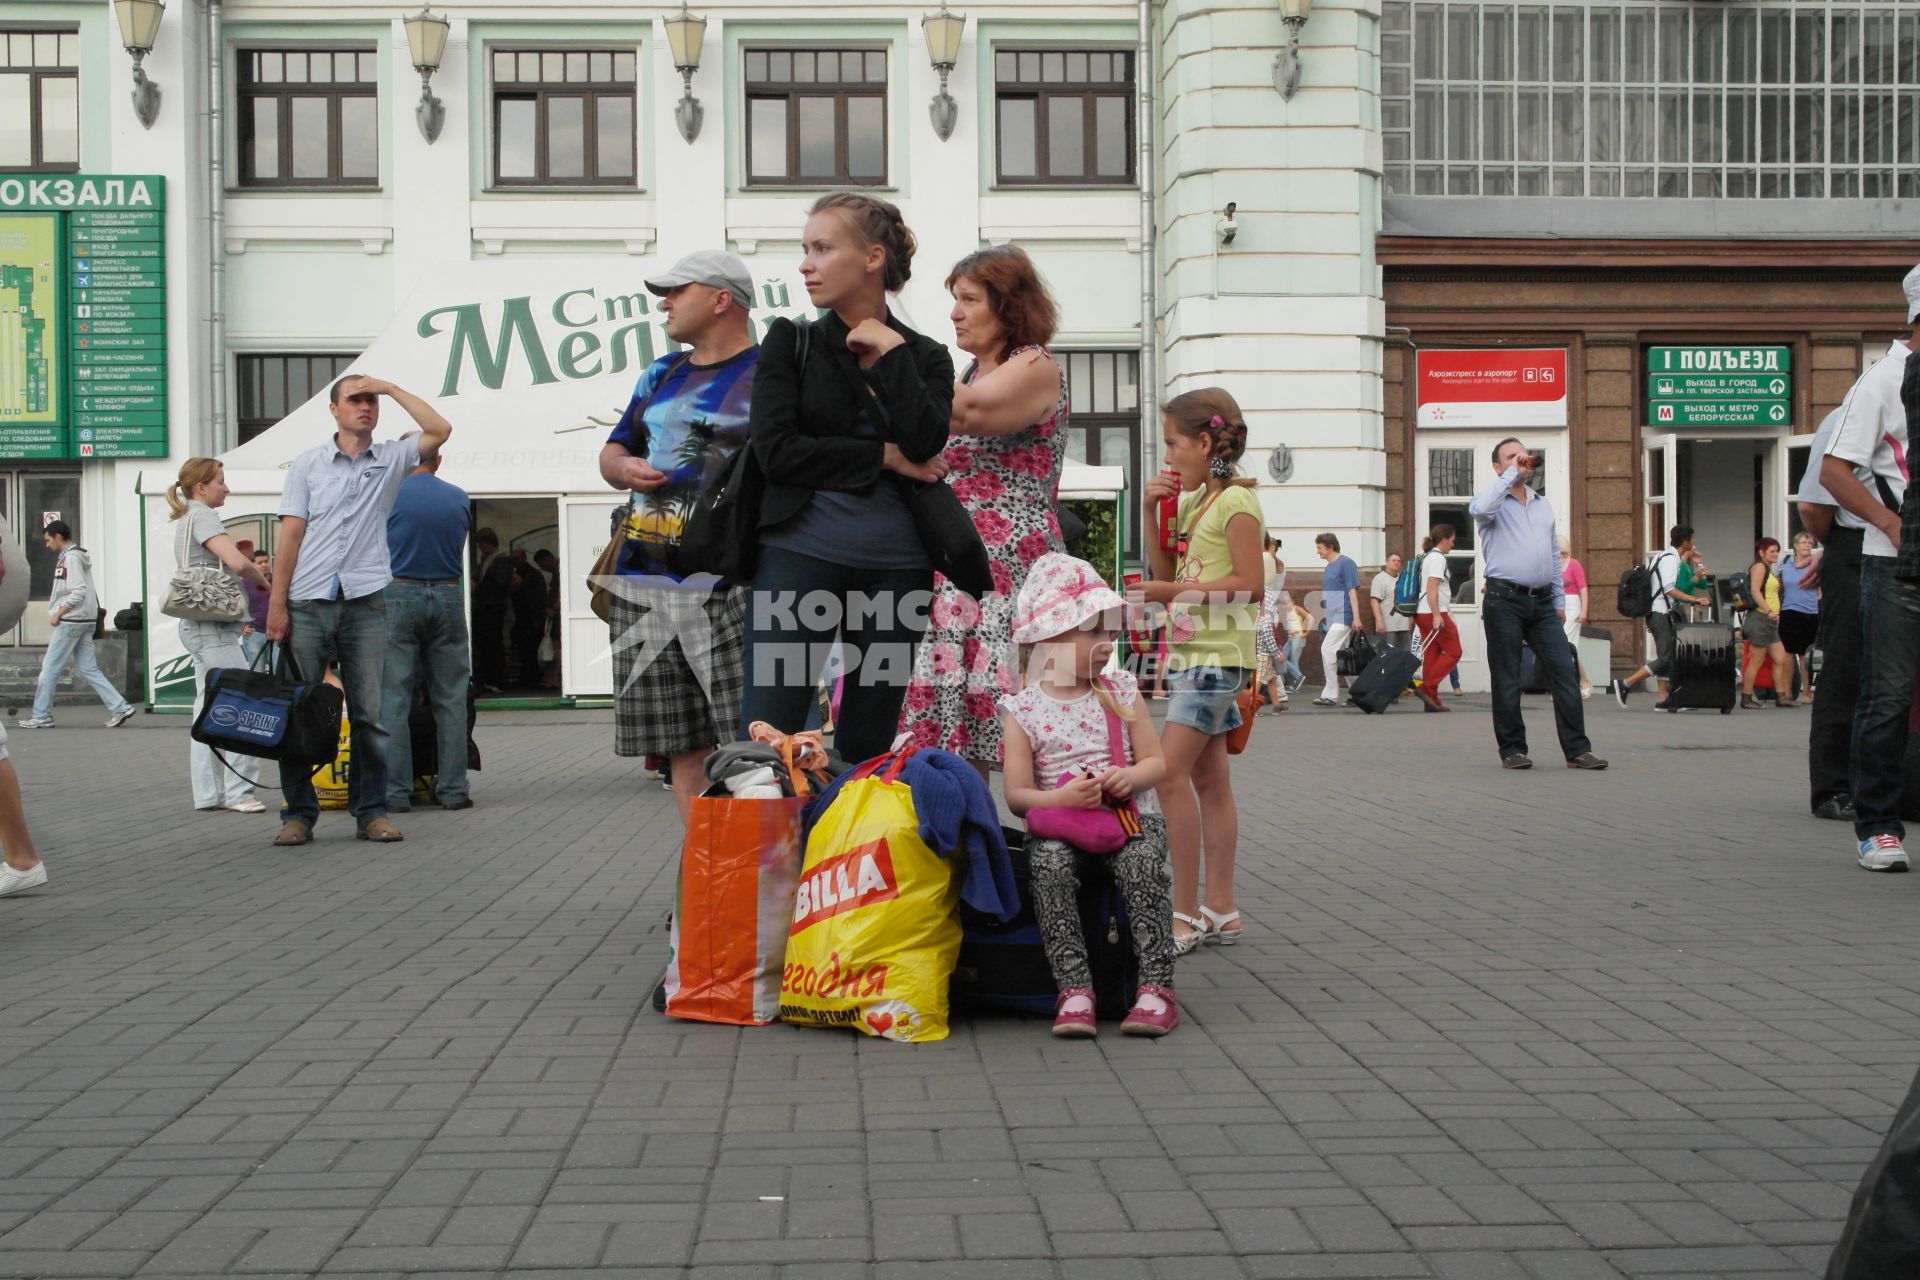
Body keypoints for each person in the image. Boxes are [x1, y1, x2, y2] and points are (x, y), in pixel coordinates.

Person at [739, 194, 955, 766]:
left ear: (873, 258)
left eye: (823, 248)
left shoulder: (926, 355)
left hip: (897, 570)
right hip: (796, 559)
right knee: (770, 736)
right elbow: (776, 451)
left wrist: (891, 354)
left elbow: (928, 441)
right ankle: (775, 859)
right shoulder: (792, 341)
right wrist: (883, 456)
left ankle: (847, 855)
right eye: (805, 250)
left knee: (868, 743)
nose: (805, 264)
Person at [597, 249, 761, 826]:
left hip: (734, 583)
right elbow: (614, 449)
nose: (663, 303)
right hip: (646, 582)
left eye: (676, 291)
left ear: (721, 300)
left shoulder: (770, 374)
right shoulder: (661, 372)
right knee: (680, 746)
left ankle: (757, 877)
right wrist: (622, 469)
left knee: (753, 744)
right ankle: (705, 874)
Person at [900, 245, 1067, 775]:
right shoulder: (970, 371)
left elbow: (969, 415)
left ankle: (1031, 847)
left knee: (1011, 727)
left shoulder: (1035, 365)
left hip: (1010, 567)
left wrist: (889, 348)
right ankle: (965, 843)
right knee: (959, 729)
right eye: (955, 299)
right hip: (962, 563)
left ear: (1009, 305)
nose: (955, 312)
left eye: (969, 299)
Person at [265, 374, 451, 847]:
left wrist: (391, 388)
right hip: (308, 599)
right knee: (300, 712)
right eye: (355, 399)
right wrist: (277, 604)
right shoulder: (307, 465)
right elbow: (290, 534)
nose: (365, 407)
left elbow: (440, 428)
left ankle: (370, 811)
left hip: (366, 599)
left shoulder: (391, 456)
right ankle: (298, 814)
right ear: (333, 410)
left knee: (371, 714)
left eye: (371, 401)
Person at [1001, 553, 1176, 1038]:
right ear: (1049, 638)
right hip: (1064, 830)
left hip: (1128, 823)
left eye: (1110, 632)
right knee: (1049, 865)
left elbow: (1156, 763)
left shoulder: (1120, 687)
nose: (1107, 644)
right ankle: (1074, 989)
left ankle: (1155, 988)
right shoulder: (1022, 709)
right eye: (1092, 632)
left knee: (1143, 866)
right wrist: (1062, 801)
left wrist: (1131, 779)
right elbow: (1017, 797)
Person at [1133, 388, 1262, 956]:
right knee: (1209, 782)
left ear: (1205, 443)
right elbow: (1166, 574)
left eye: (1173, 444)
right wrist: (1148, 510)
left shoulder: (1237, 503)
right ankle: (1223, 909)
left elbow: (1251, 587)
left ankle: (1183, 915)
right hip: (1195, 657)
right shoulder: (1194, 505)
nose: (1168, 457)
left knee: (1166, 775)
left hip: (1215, 659)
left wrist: (1168, 590)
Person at [1818, 264, 1920, 872]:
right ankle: (1877, 826)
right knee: (1887, 696)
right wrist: (1891, 524)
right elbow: (1833, 472)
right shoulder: (1883, 379)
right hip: (1895, 569)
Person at [1468, 439, 1607, 771]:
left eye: (1523, 454)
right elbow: (1478, 509)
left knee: (1564, 670)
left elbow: (1553, 559)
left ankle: (1577, 750)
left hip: (1542, 602)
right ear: (1498, 467)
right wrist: (1510, 475)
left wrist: (1558, 601)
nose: (1520, 460)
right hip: (1504, 600)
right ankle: (1513, 749)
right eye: (1511, 457)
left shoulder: (1542, 505)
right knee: (1508, 677)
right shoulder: (1492, 504)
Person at [167, 458, 275, 812]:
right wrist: (265, 585)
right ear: (201, 487)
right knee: (242, 699)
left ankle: (209, 794)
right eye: (221, 482)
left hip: (195, 625)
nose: (226, 488)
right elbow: (239, 562)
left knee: (205, 707)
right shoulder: (204, 515)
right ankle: (240, 792)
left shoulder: (186, 518)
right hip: (213, 629)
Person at [380, 451, 474, 814]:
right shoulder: (458, 496)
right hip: (449, 592)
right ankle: (453, 789)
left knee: (394, 698)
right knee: (451, 698)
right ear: (439, 459)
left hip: (398, 590)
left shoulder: (389, 495)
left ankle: (395, 792)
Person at [1799, 406, 1866, 821]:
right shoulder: (1853, 413)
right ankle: (1832, 786)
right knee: (1846, 667)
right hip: (1859, 549)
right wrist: (1839, 547)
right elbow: (1813, 506)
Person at [21, 521, 137, 730]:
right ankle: (120, 707)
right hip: (85, 620)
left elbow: (78, 591)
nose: (47, 545)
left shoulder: (71, 558)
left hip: (71, 621)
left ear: (58, 536)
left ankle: (41, 715)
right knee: (88, 668)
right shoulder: (77, 556)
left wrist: (59, 612)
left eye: (48, 540)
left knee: (48, 669)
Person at [1609, 525, 1710, 708]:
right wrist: (1694, 600)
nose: (1694, 543)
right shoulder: (1671, 559)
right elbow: (1669, 589)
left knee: (1670, 656)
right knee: (1666, 657)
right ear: (1685, 541)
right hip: (1660, 613)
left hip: (1656, 612)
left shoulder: (1662, 556)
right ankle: (1626, 683)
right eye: (1692, 540)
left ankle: (1666, 700)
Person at [1740, 537, 1796, 710]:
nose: (1776, 554)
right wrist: (1769, 611)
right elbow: (1756, 592)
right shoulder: (1758, 567)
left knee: (1780, 658)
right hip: (1760, 618)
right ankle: (1746, 697)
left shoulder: (1769, 570)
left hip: (1769, 621)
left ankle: (1781, 696)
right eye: (1772, 551)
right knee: (1756, 660)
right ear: (1761, 552)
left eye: (1777, 551)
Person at [1412, 525, 1462, 712]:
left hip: (1422, 612)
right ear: (1444, 539)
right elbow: (1432, 588)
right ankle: (1426, 688)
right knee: (1454, 651)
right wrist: (1436, 615)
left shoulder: (1427, 557)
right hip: (1434, 612)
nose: (1453, 544)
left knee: (1432, 655)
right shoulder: (1437, 559)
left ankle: (1431, 701)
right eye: (1452, 540)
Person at [1312, 533, 1359, 707]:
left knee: (1327, 649)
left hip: (1344, 615)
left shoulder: (1346, 563)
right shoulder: (1329, 567)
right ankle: (1359, 692)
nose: (1318, 552)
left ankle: (1331, 694)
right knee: (1345, 656)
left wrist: (1357, 617)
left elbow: (1352, 590)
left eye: (1319, 548)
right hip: (1334, 617)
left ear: (1330, 547)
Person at [1778, 531, 1821, 704]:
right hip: (1788, 610)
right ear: (1795, 545)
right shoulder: (1785, 562)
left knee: (1805, 654)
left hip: (1810, 612)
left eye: (1810, 543)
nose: (1807, 546)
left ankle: (1807, 692)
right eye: (1804, 542)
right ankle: (1787, 693)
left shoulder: (1816, 563)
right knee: (1788, 653)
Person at [471, 528, 512, 691]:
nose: (479, 547)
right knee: (487, 644)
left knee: (494, 644)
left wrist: (478, 587)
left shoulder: (501, 561)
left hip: (494, 609)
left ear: (487, 543)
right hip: (487, 608)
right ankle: (491, 679)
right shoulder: (489, 560)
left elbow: (501, 584)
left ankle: (497, 679)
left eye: (480, 544)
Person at [1254, 537, 1289, 712]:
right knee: (1266, 677)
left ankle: (1277, 702)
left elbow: (1278, 566)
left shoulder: (1276, 565)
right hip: (1264, 621)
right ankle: (1273, 702)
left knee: (1270, 676)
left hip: (1269, 613)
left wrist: (1269, 553)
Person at [1557, 535, 1593, 698]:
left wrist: (1584, 610)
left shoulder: (1574, 564)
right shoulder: (1553, 565)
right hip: (1558, 604)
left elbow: (1583, 588)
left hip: (1572, 604)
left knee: (1567, 644)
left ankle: (1579, 682)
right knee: (1563, 646)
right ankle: (1581, 681)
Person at [509, 553, 547, 688]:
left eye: (516, 558)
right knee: (523, 649)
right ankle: (527, 677)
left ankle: (532, 678)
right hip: (520, 618)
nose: (514, 561)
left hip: (530, 618)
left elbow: (539, 597)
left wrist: (538, 617)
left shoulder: (534, 575)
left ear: (524, 558)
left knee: (531, 649)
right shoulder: (518, 574)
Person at [1370, 551, 1412, 652]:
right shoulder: (1379, 579)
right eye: (1393, 560)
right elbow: (1374, 601)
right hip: (1388, 626)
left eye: (1399, 561)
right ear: (1387, 562)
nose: (1396, 563)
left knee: (1405, 656)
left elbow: (1408, 600)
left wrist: (1410, 619)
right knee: (1388, 657)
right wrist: (1379, 621)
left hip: (1404, 625)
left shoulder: (1403, 579)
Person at [533, 548, 562, 688]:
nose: (542, 569)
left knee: (557, 646)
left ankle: (556, 676)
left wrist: (554, 609)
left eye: (542, 565)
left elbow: (562, 592)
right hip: (556, 612)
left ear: (548, 559)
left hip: (558, 613)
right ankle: (555, 676)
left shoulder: (560, 571)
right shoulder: (558, 571)